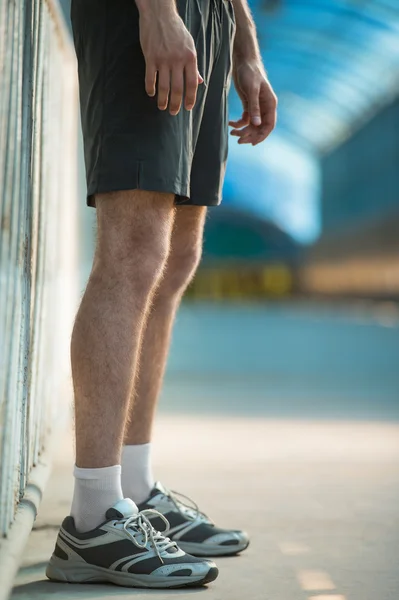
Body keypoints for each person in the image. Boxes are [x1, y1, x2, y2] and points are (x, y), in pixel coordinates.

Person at [47, 0, 277, 589]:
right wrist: (157, 10)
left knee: (175, 260)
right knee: (133, 252)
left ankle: (134, 487)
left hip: (210, 17)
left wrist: (244, 43)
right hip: (143, 12)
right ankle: (94, 517)